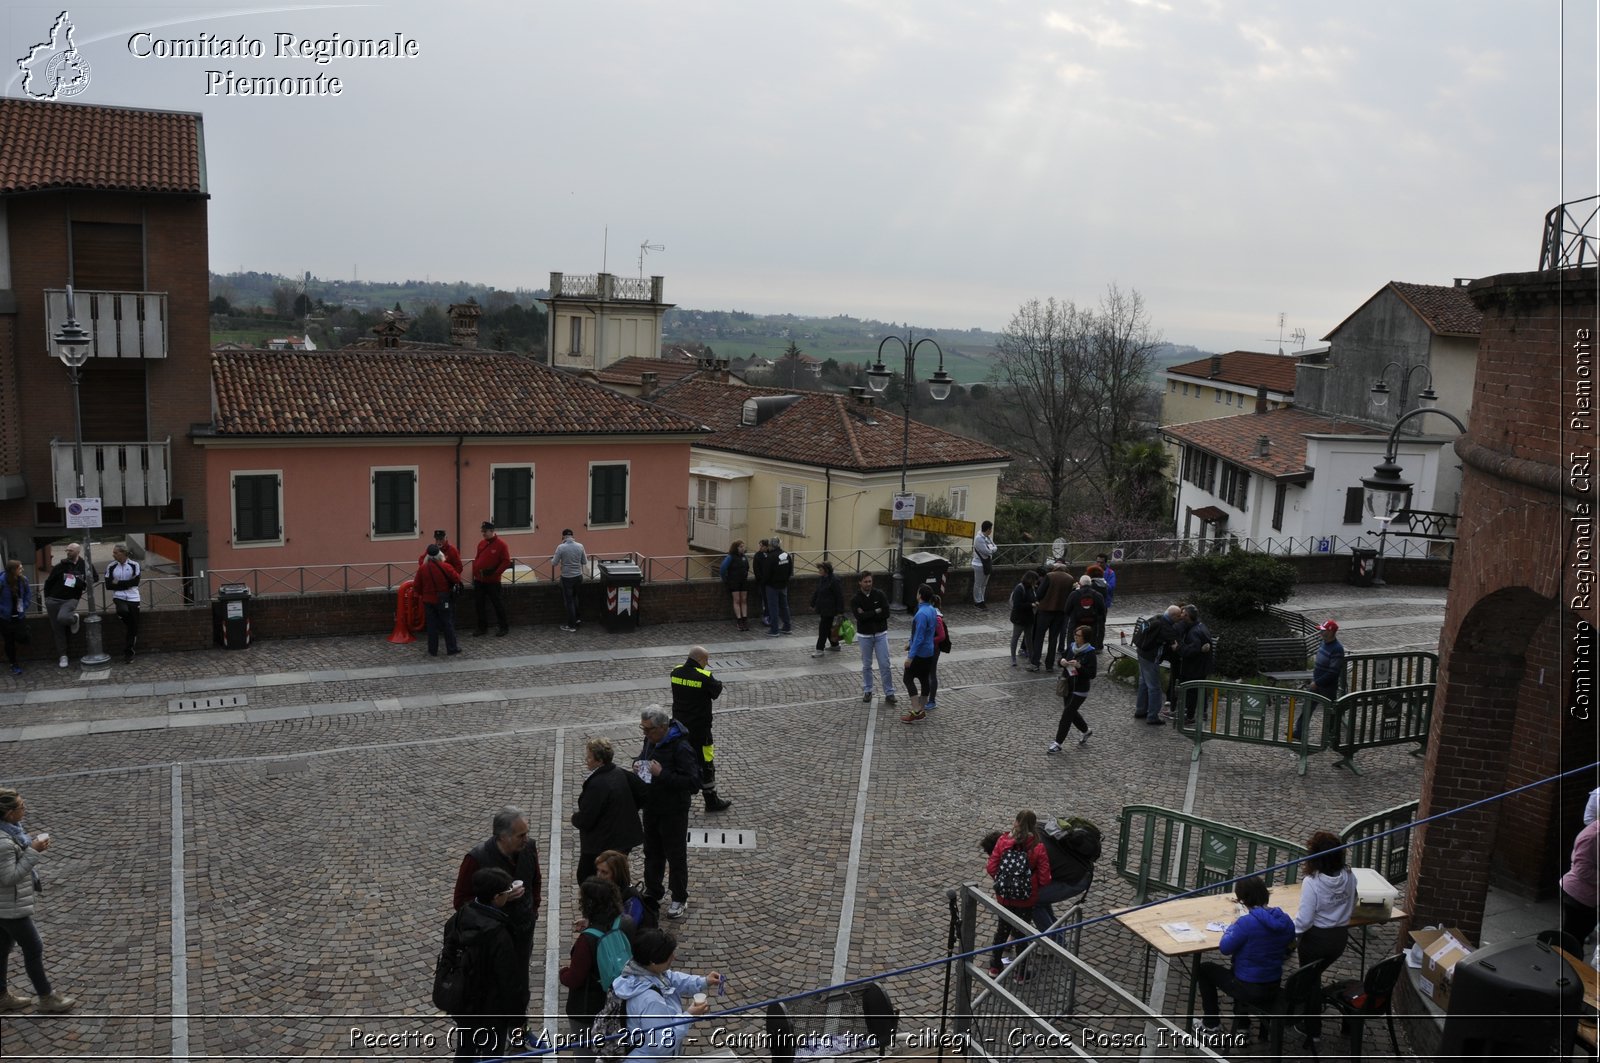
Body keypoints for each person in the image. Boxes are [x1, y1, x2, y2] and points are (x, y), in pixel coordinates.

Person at [1192, 876, 1295, 1043]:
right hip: (1272, 982)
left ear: (1243, 900)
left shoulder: (1246, 923)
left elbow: (1225, 948)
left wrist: (1232, 927)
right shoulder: (1285, 920)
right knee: (1239, 968)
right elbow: (1289, 943)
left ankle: (1211, 1024)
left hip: (1249, 986)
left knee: (1205, 969)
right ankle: (1242, 1025)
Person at [0, 789, 75, 1013]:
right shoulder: (3, 842)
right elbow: (9, 877)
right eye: (21, 807)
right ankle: (46, 997)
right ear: (9, 813)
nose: (25, 809)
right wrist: (33, 852)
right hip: (10, 907)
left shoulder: (11, 832)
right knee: (33, 947)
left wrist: (28, 847)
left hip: (4, 906)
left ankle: (2, 996)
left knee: (2, 948)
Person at [449, 867, 529, 1061]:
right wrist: (517, 1017)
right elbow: (508, 979)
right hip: (492, 1009)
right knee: (492, 1053)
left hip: (465, 1001)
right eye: (506, 892)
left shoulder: (458, 918)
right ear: (496, 897)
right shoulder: (499, 933)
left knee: (465, 1050)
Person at [629, 706, 700, 920]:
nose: (645, 733)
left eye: (648, 729)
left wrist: (663, 774)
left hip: (673, 811)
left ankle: (679, 896)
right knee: (652, 852)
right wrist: (637, 764)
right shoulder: (650, 740)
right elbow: (644, 758)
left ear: (662, 727)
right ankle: (653, 890)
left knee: (675, 855)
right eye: (643, 728)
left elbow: (693, 783)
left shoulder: (681, 748)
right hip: (652, 807)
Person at [610, 928, 721, 1063]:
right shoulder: (651, 1002)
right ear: (653, 961)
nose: (674, 957)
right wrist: (689, 1016)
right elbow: (662, 1044)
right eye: (669, 956)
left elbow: (672, 978)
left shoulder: (640, 971)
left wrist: (703, 981)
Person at [453, 806, 542, 967]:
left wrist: (533, 909)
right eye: (521, 835)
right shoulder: (476, 859)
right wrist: (496, 901)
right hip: (491, 937)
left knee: (519, 982)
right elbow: (460, 902)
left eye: (526, 833)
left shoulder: (529, 848)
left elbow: (535, 880)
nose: (526, 839)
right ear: (503, 837)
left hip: (523, 933)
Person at [1292, 831, 1356, 1045]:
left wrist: (1289, 935)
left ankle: (1312, 1030)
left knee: (1310, 981)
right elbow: (1352, 900)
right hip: (1339, 938)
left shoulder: (1312, 882)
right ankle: (1300, 1006)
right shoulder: (1349, 876)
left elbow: (1304, 920)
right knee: (1312, 978)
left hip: (1316, 940)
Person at [560, 877, 634, 1041]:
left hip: (588, 1008)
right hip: (620, 1001)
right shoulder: (626, 923)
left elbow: (575, 978)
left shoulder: (586, 940)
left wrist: (563, 973)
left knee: (585, 1053)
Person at [983, 810, 1049, 977]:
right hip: (1026, 898)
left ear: (1016, 822)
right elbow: (1045, 878)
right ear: (1034, 826)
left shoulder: (1003, 841)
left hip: (1005, 896)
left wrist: (1003, 881)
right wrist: (1032, 885)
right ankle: (1020, 973)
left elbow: (991, 867)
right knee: (1021, 934)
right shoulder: (1038, 847)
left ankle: (994, 967)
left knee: (1001, 931)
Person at [572, 738, 644, 884]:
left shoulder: (597, 784)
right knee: (616, 874)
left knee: (588, 877)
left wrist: (575, 818)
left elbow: (587, 818)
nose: (587, 759)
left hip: (603, 842)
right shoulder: (619, 772)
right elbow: (641, 792)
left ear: (599, 761)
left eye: (589, 757)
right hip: (623, 837)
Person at [669, 647, 731, 813]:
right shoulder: (705, 676)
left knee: (680, 761)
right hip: (700, 729)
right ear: (701, 660)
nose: (707, 665)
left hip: (679, 728)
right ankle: (711, 800)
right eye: (706, 662)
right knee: (706, 763)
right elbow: (716, 690)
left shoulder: (675, 672)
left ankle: (680, 797)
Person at [1294, 619, 1346, 741]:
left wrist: (1318, 683)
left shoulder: (1337, 649)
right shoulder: (1324, 643)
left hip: (1327, 686)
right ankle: (1299, 732)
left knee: (1330, 711)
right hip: (1317, 683)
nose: (1320, 633)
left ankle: (1331, 736)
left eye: (1323, 631)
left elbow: (1333, 672)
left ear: (1330, 632)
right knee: (1307, 707)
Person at [1048, 625, 1098, 752]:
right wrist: (1062, 662)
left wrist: (1080, 666)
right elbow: (1061, 659)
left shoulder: (1090, 653)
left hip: (1080, 689)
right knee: (1071, 712)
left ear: (1085, 638)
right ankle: (1086, 731)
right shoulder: (1071, 647)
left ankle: (1057, 743)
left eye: (1078, 635)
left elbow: (1092, 674)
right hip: (1067, 685)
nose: (1075, 636)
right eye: (1075, 634)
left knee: (1067, 715)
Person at [42, 543, 88, 669]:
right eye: (67, 550)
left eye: (71, 551)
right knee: (58, 630)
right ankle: (63, 655)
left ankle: (74, 619)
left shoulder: (84, 565)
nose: (68, 552)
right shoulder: (60, 566)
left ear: (78, 552)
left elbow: (92, 578)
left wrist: (76, 581)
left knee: (62, 618)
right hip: (53, 600)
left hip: (70, 599)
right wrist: (47, 598)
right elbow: (49, 582)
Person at [851, 572, 895, 705]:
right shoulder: (856, 599)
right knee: (866, 665)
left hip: (881, 634)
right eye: (865, 581)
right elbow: (860, 618)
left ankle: (889, 692)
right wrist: (876, 611)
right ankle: (868, 690)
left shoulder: (879, 594)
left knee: (885, 664)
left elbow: (886, 613)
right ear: (860, 582)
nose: (868, 584)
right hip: (865, 636)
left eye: (870, 581)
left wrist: (867, 613)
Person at [1135, 605, 1181, 725]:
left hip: (1141, 653)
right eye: (1179, 615)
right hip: (1151, 658)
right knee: (1154, 688)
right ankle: (1152, 716)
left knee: (1144, 683)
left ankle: (1140, 710)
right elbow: (1175, 643)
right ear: (1173, 616)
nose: (1180, 618)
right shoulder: (1166, 627)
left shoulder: (1157, 618)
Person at [414, 543, 462, 657]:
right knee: (447, 624)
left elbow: (416, 586)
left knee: (431, 626)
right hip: (443, 599)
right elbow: (457, 578)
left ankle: (432, 650)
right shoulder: (446, 566)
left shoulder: (422, 569)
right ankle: (451, 648)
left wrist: (424, 594)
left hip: (428, 601)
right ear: (439, 554)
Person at [901, 584, 939, 723]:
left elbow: (919, 637)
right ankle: (921, 710)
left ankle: (916, 710)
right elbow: (926, 633)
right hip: (929, 651)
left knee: (907, 678)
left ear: (919, 596)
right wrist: (910, 644)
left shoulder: (921, 613)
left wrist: (910, 656)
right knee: (924, 679)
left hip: (920, 654)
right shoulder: (932, 610)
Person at [595, 849, 657, 930]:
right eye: (598, 870)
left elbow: (628, 929)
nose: (598, 875)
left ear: (617, 874)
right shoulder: (604, 888)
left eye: (604, 872)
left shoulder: (631, 898)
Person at [1561, 819, 1599, 949]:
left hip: (1592, 897)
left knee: (1579, 935)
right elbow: (1582, 869)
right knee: (1572, 941)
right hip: (1578, 896)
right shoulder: (1592, 836)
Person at [470, 521, 512, 637]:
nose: (483, 534)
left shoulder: (501, 545)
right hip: (479, 580)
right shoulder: (481, 544)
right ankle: (482, 627)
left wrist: (495, 572)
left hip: (493, 582)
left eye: (485, 531)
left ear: (492, 531)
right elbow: (477, 558)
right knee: (479, 605)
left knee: (497, 605)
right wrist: (475, 572)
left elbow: (506, 561)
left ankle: (503, 627)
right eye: (482, 531)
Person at [1028, 564, 1072, 672]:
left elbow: (1039, 593)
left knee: (1039, 638)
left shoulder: (1050, 576)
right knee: (1053, 639)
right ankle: (1049, 665)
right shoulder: (1070, 578)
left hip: (1045, 611)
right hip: (1060, 612)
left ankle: (1035, 663)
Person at [1176, 604, 1214, 724]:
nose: (1180, 615)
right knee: (1200, 689)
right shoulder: (1200, 626)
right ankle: (1203, 713)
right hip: (1202, 666)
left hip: (1194, 667)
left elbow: (1190, 651)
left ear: (1187, 616)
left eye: (1182, 613)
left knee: (1192, 691)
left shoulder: (1194, 632)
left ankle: (1190, 716)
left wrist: (1178, 648)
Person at [104, 544, 141, 663]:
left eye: (115, 552)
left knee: (132, 628)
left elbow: (135, 582)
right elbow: (109, 585)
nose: (113, 554)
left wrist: (118, 583)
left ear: (123, 553)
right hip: (119, 597)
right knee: (122, 611)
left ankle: (129, 653)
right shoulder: (111, 566)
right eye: (113, 552)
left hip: (133, 597)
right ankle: (129, 624)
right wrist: (125, 583)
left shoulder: (134, 565)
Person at [553, 529, 588, 632]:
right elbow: (584, 561)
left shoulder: (561, 547)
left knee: (569, 602)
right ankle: (577, 619)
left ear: (563, 537)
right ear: (572, 536)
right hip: (578, 576)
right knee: (575, 598)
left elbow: (554, 563)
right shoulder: (580, 546)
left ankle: (571, 625)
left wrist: (553, 558)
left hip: (567, 577)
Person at [1, 560, 30, 677]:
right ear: (13, 570)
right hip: (5, 618)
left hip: (19, 615)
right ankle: (13, 663)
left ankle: (26, 632)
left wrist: (25, 605)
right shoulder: (2, 582)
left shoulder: (23, 580)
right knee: (9, 642)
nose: (22, 570)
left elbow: (28, 594)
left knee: (22, 637)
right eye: (20, 568)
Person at [809, 561, 844, 657]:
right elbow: (817, 591)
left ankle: (819, 649)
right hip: (824, 608)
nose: (819, 571)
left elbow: (839, 596)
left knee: (823, 629)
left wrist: (840, 611)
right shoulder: (822, 579)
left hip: (830, 609)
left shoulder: (834, 580)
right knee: (827, 628)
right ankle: (835, 645)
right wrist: (812, 603)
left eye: (820, 569)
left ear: (826, 570)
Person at [1064, 575, 1107, 651]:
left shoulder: (1074, 594)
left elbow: (1067, 610)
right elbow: (1102, 611)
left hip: (1075, 624)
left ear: (1080, 584)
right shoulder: (1098, 595)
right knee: (1090, 646)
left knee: (1073, 645)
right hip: (1092, 625)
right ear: (1090, 584)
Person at [763, 537, 794, 636]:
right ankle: (787, 627)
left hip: (772, 586)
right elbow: (790, 570)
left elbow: (766, 573)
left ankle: (774, 629)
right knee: (784, 606)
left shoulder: (770, 557)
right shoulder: (786, 555)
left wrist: (765, 583)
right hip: (783, 585)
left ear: (771, 546)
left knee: (773, 608)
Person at [1008, 571, 1038, 667]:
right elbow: (1017, 605)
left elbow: (1033, 599)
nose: (1036, 583)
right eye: (1035, 580)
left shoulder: (1031, 588)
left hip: (1029, 618)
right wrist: (1031, 605)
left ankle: (1031, 657)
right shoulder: (1019, 588)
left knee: (1029, 638)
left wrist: (1035, 603)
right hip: (1019, 618)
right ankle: (1013, 658)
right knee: (1015, 637)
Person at [720, 540, 750, 631]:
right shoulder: (730, 557)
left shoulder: (744, 557)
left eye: (743, 546)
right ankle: (739, 620)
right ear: (736, 548)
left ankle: (745, 619)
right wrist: (726, 580)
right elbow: (723, 569)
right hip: (734, 581)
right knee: (737, 600)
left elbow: (747, 567)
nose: (742, 548)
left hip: (743, 581)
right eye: (741, 546)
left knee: (744, 600)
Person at [971, 520, 997, 610]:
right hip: (979, 564)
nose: (991, 531)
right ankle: (978, 602)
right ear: (988, 529)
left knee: (984, 584)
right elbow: (987, 551)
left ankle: (982, 600)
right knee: (978, 584)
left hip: (986, 563)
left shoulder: (987, 538)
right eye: (990, 529)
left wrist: (991, 549)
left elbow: (995, 547)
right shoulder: (979, 538)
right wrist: (991, 550)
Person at [750, 540, 771, 627]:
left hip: (771, 582)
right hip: (762, 583)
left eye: (762, 546)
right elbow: (756, 569)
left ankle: (770, 616)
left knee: (770, 600)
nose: (760, 547)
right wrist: (761, 580)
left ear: (767, 547)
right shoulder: (758, 555)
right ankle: (766, 616)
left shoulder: (771, 554)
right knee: (765, 600)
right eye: (760, 546)